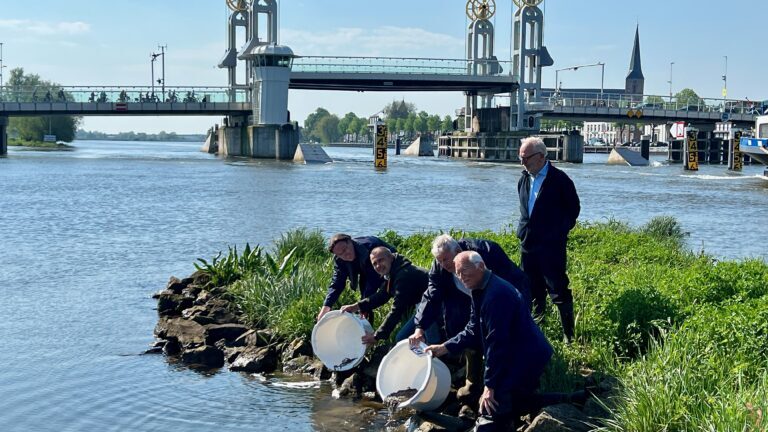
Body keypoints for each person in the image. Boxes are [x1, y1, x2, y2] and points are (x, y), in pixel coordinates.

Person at [426, 251, 553, 431]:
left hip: (526, 356)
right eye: (457, 273)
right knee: (518, 400)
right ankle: (577, 399)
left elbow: (497, 344)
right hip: (515, 353)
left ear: (481, 266)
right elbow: (472, 328)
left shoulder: (496, 296)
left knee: (491, 407)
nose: (461, 277)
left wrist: (490, 386)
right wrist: (444, 347)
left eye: (464, 271)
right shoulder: (478, 289)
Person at [408, 234, 530, 417]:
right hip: (467, 302)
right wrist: (420, 327)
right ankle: (473, 384)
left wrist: (519, 312)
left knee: (498, 341)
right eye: (439, 261)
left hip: (501, 303)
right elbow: (431, 296)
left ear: (458, 251)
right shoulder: (440, 268)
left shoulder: (486, 254)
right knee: (471, 337)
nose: (443, 265)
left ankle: (498, 384)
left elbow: (513, 281)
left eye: (445, 260)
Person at [517, 136, 580, 342]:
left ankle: (569, 336)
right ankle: (537, 331)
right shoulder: (524, 178)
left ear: (541, 156)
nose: (522, 162)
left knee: (558, 288)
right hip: (528, 244)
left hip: (551, 246)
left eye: (526, 157)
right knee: (532, 288)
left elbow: (573, 210)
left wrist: (557, 233)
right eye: (520, 157)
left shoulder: (560, 180)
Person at [340, 247, 436, 345]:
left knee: (432, 341)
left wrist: (377, 336)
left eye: (380, 260)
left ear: (391, 257)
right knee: (402, 338)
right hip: (423, 307)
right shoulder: (395, 271)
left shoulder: (403, 275)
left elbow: (397, 310)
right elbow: (381, 296)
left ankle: (442, 357)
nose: (378, 266)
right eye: (374, 264)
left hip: (437, 306)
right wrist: (355, 306)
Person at [317, 233, 395, 322]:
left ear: (350, 242)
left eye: (345, 249)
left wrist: (360, 305)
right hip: (364, 267)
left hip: (388, 264)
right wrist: (326, 306)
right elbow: (337, 283)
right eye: (340, 254)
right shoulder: (340, 260)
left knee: (386, 290)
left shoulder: (368, 247)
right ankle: (366, 325)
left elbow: (373, 282)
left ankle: (406, 310)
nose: (346, 254)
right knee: (364, 300)